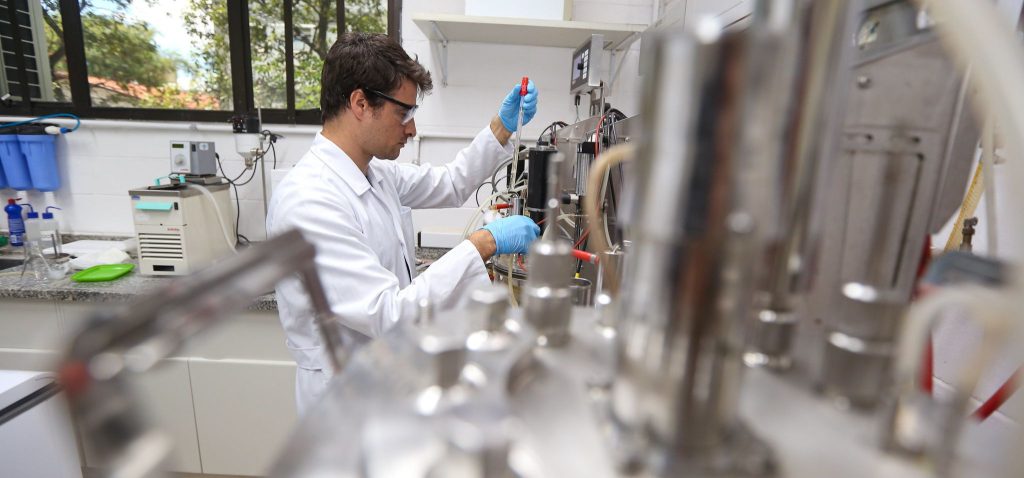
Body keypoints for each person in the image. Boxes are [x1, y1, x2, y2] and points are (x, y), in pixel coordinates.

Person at [267, 32, 541, 414]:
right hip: (344, 400)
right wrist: (483, 244)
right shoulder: (310, 200)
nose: (411, 129)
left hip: (383, 378)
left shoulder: (374, 173)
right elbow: (387, 313)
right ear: (360, 103)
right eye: (404, 113)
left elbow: (449, 183)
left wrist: (501, 126)